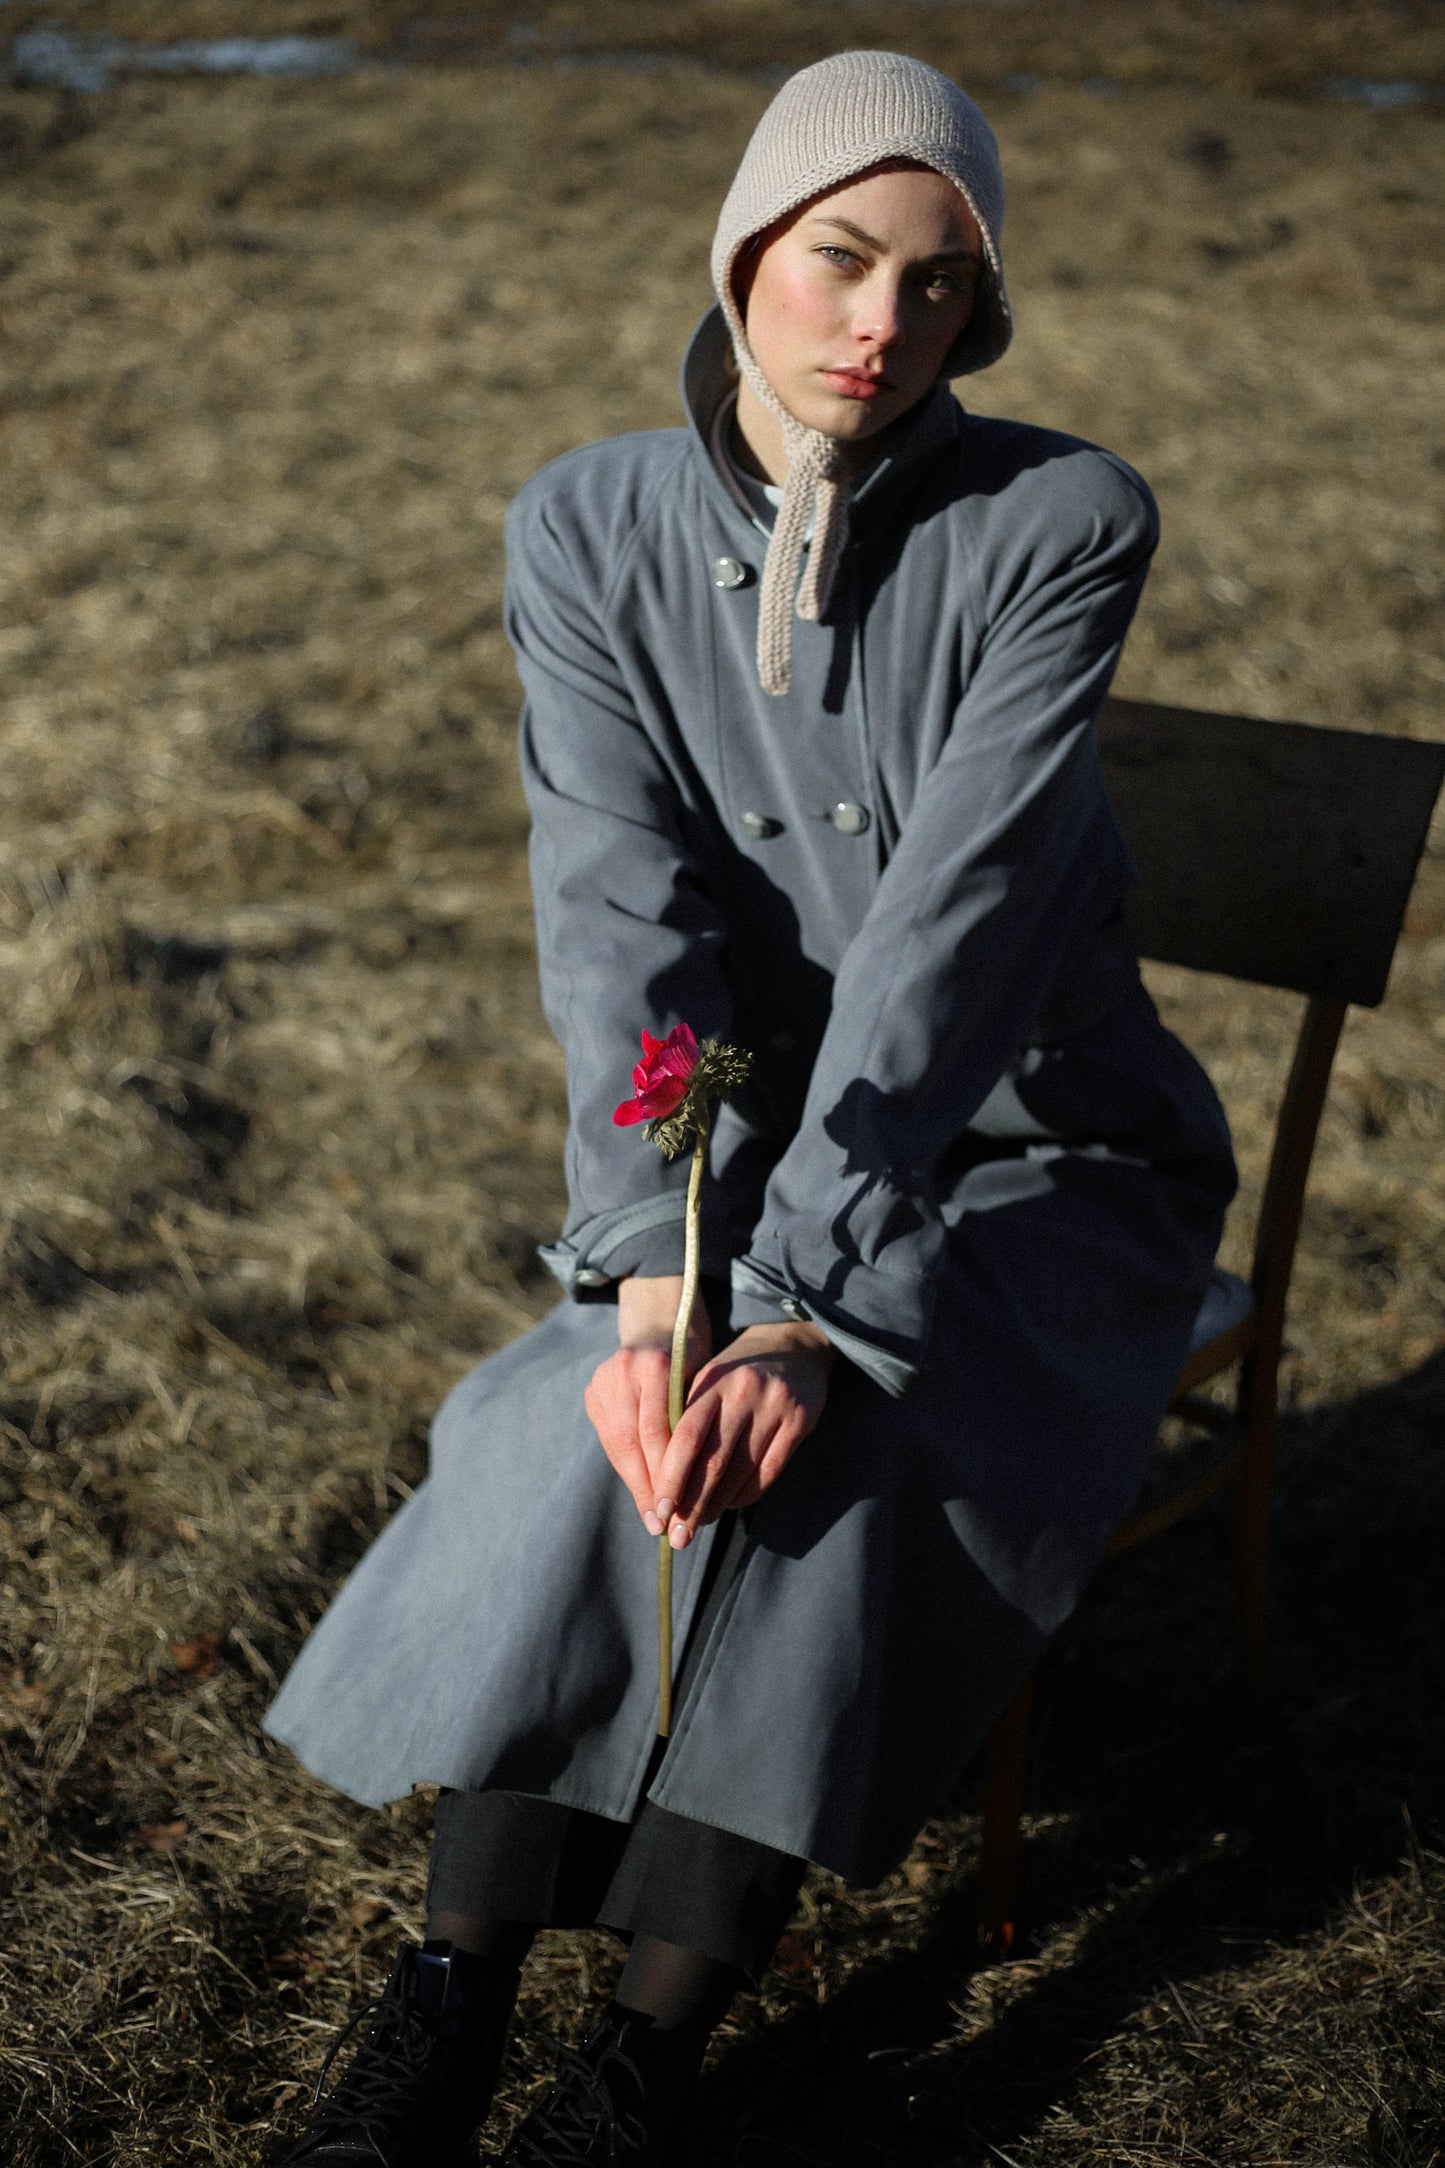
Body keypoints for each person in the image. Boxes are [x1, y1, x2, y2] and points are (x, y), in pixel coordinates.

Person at [262, 48, 1236, 2168]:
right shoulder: (586, 522)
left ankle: (652, 2045)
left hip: (1037, 1156)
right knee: (586, 1426)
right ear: (740, 254)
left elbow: (954, 933)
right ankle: (451, 1989)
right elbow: (619, 915)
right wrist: (655, 1263)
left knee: (815, 1452)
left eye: (941, 284)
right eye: (839, 259)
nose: (885, 323)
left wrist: (796, 1298)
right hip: (736, 1145)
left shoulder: (1062, 522)